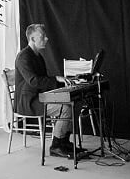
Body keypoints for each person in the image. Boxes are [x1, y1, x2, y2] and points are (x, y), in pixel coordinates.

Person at [14, 23, 85, 160]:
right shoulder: (24, 57)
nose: (46, 39)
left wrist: (61, 87)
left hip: (39, 97)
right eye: (43, 36)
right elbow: (34, 81)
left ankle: (64, 142)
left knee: (76, 103)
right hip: (29, 102)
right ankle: (56, 146)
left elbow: (44, 81)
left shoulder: (38, 57)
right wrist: (57, 79)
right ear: (33, 38)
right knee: (65, 107)